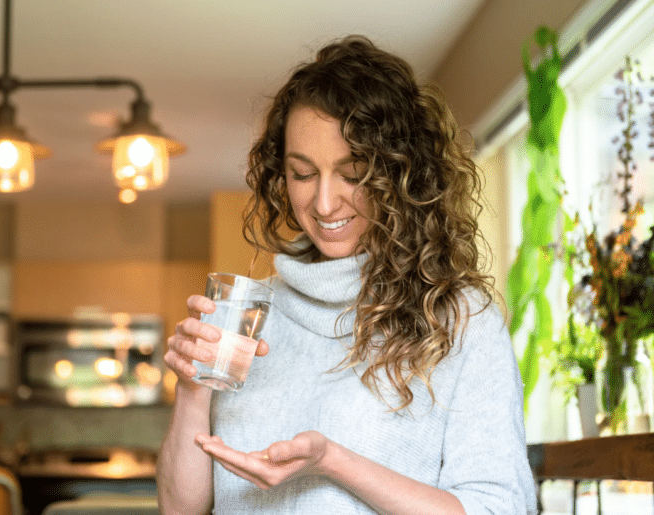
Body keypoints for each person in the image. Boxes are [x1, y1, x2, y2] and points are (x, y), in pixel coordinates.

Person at [157, 35, 537, 515]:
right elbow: (179, 510)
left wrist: (334, 462)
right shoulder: (250, 321)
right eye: (303, 173)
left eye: (353, 172)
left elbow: (497, 508)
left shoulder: (460, 320)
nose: (323, 203)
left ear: (401, 173)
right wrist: (191, 392)